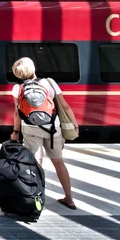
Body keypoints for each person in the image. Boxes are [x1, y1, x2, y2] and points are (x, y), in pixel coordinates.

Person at [10, 57, 79, 210]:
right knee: (58, 162)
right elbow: (65, 106)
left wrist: (15, 132)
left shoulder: (17, 88)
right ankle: (69, 198)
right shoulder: (49, 82)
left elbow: (17, 113)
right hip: (53, 128)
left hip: (30, 129)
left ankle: (35, 197)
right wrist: (74, 123)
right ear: (33, 68)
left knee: (33, 163)